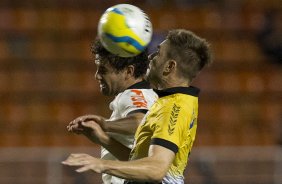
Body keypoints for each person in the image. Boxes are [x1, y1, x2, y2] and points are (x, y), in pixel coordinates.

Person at [63, 29, 212, 184]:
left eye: (158, 53)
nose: (150, 57)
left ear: (169, 67)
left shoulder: (175, 108)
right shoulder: (166, 102)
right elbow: (141, 162)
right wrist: (103, 139)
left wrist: (102, 164)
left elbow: (156, 170)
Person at [67, 39, 158, 184]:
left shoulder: (134, 95)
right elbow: (136, 162)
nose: (97, 75)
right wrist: (102, 138)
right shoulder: (145, 94)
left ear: (129, 71)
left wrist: (105, 125)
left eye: (103, 70)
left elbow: (142, 121)